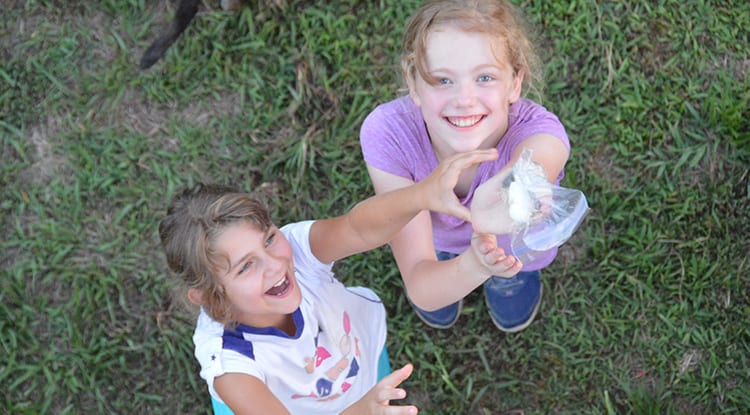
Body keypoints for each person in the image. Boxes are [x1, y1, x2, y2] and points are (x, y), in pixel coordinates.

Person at [158, 149, 509, 415]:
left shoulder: (294, 248)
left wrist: (423, 194)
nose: (276, 263)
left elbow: (356, 227)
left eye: (267, 239)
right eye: (245, 267)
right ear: (205, 295)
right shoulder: (231, 364)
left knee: (371, 382)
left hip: (356, 357)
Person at [359, 0, 570, 332]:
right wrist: (473, 265)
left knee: (513, 261)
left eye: (484, 77)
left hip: (513, 244)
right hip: (438, 239)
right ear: (413, 83)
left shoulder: (540, 133)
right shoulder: (388, 134)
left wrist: (513, 188)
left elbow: (538, 161)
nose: (464, 100)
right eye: (443, 80)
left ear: (515, 83)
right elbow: (422, 287)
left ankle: (508, 274)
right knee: (441, 280)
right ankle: (452, 260)